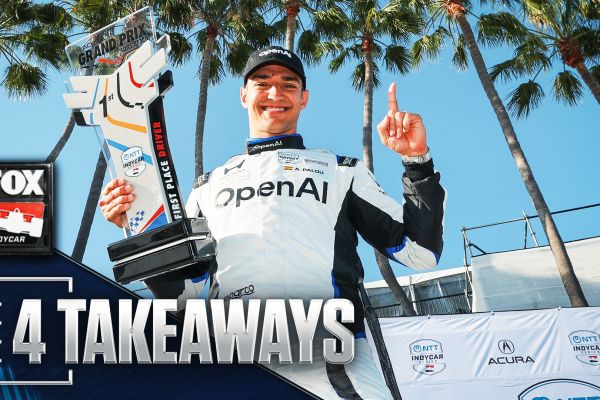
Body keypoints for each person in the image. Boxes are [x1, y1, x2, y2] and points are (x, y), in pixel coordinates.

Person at [99, 46, 445, 400]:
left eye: (288, 84)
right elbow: (185, 293)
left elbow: (420, 252)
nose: (275, 93)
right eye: (262, 83)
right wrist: (138, 228)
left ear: (303, 98)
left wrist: (417, 161)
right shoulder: (208, 187)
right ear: (243, 95)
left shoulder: (341, 171)